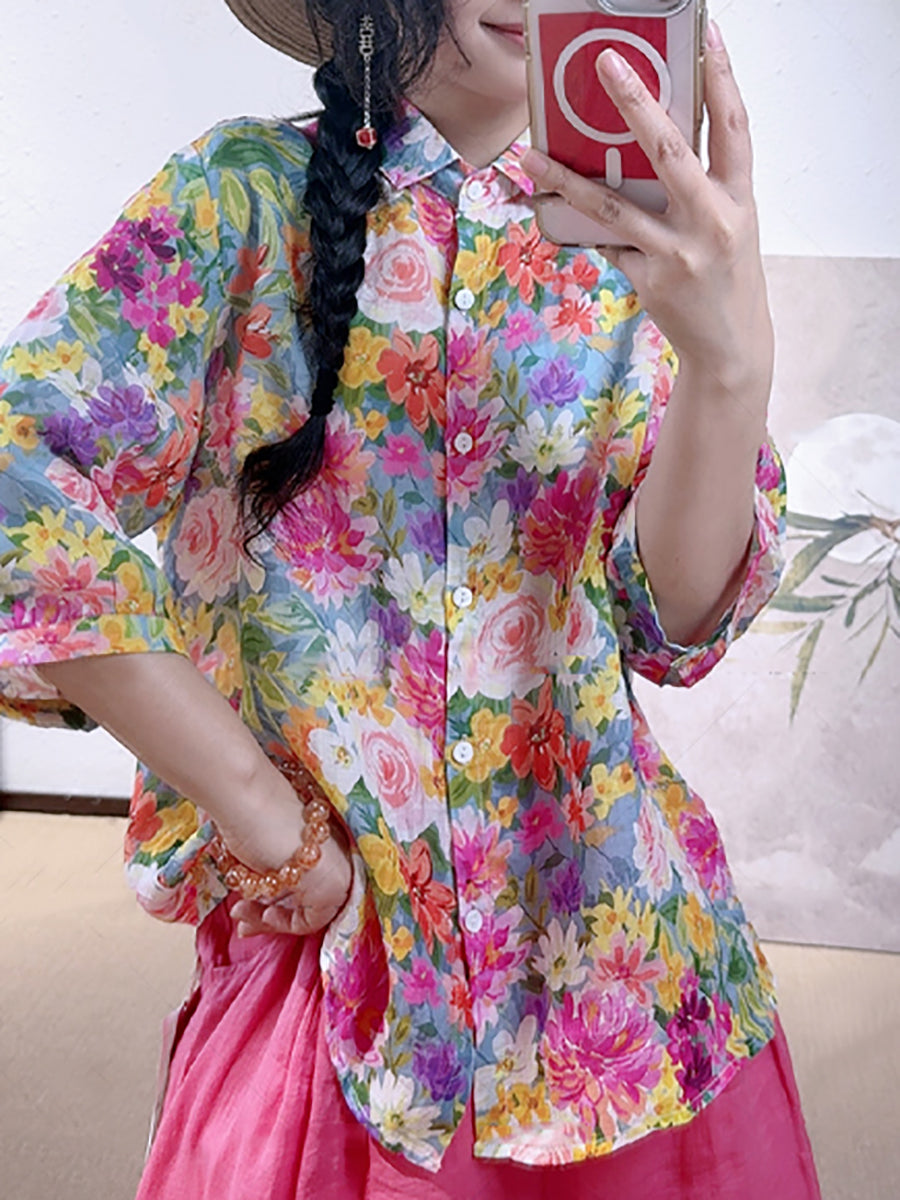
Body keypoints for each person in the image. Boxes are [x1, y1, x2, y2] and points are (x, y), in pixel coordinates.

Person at [0, 1, 823, 1196]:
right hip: (347, 978)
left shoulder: (635, 242)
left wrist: (727, 362)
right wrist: (268, 822)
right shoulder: (239, 197)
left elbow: (675, 624)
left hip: (623, 977)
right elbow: (18, 482)